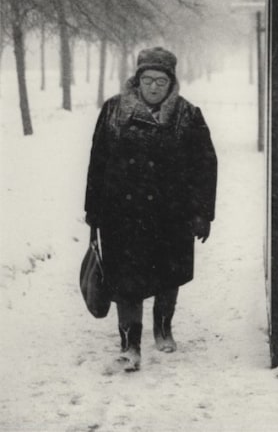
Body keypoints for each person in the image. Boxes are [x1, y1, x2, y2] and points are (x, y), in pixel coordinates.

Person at [84, 46, 218, 372]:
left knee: (167, 274)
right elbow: (98, 161)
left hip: (171, 214)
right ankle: (130, 344)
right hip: (122, 215)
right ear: (137, 79)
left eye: (161, 80)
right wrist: (93, 209)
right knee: (125, 281)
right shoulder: (114, 111)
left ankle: (163, 326)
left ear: (171, 83)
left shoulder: (187, 115)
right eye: (148, 79)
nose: (154, 86)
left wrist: (202, 213)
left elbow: (206, 166)